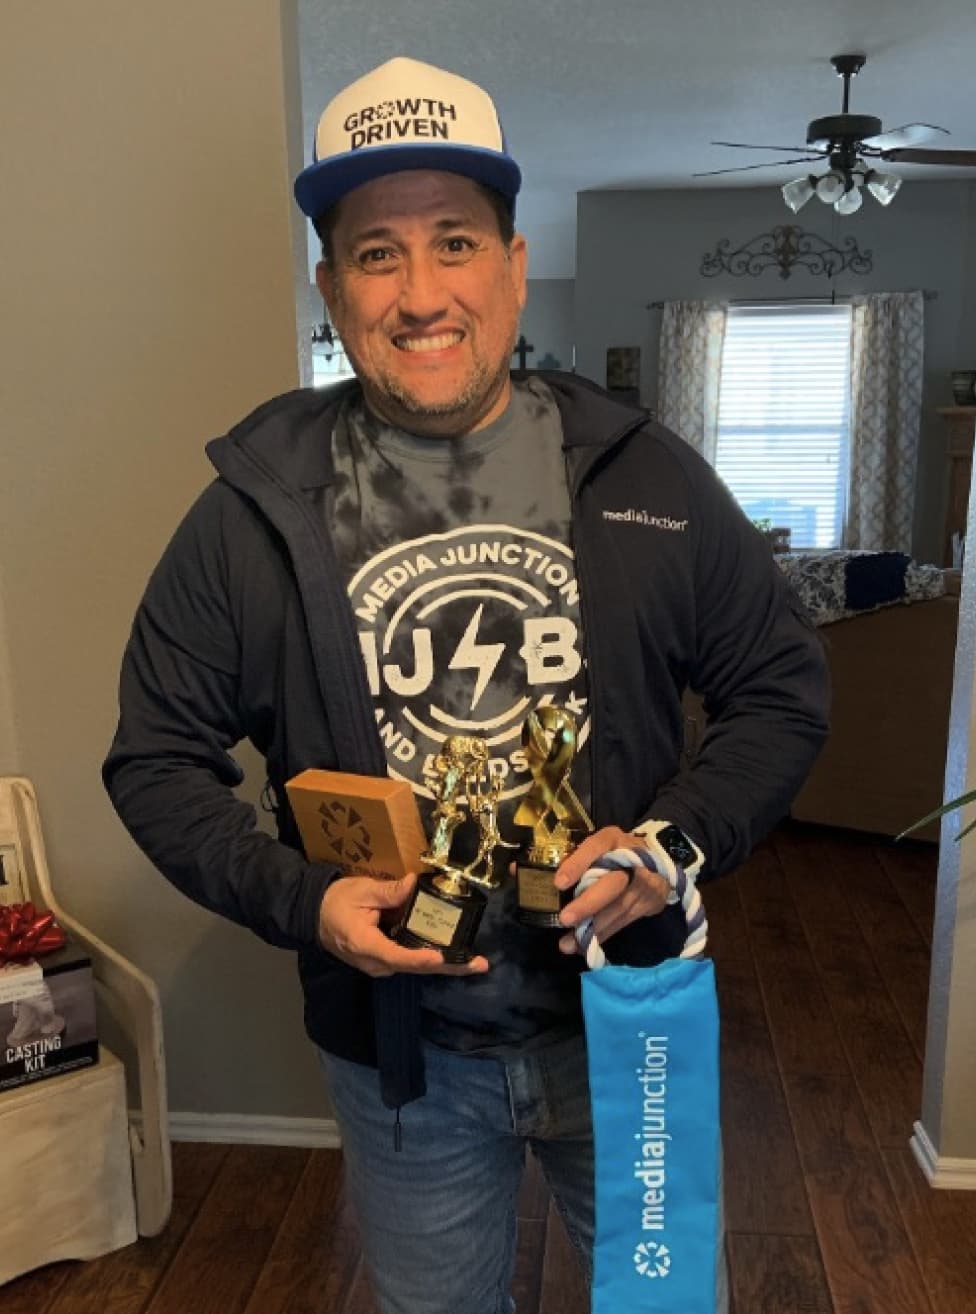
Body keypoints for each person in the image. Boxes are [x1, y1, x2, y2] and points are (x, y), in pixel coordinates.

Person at [103, 55, 829, 1314]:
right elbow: (153, 762)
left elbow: (779, 687)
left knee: (667, 1304)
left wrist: (668, 844)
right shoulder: (249, 517)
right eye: (376, 254)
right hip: (407, 1071)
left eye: (454, 241)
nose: (421, 291)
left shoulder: (644, 472)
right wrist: (304, 900)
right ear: (330, 288)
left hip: (626, 1031)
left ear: (511, 259)